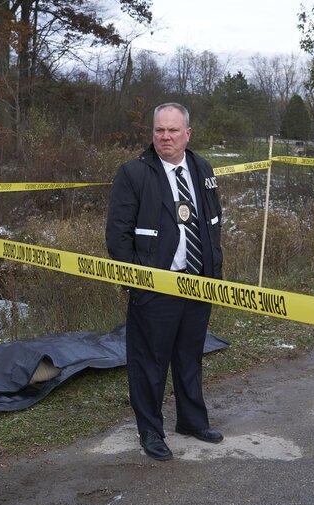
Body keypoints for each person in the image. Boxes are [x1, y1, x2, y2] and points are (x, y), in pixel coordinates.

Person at [106, 102, 224, 461]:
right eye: (159, 130)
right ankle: (151, 432)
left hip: (198, 282)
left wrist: (214, 275)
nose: (165, 137)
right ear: (152, 133)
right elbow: (117, 237)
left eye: (173, 130)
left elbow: (213, 223)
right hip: (155, 287)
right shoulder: (133, 173)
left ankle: (192, 421)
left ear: (187, 134)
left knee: (190, 356)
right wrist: (137, 281)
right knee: (149, 364)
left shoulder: (203, 168)